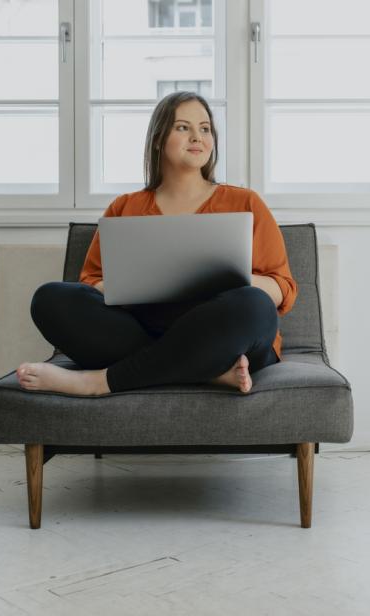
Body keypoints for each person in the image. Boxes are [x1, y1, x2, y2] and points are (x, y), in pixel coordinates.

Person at [16, 91, 297, 396]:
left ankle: (99, 382)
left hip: (221, 331)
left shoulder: (245, 202)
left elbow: (281, 288)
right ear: (158, 139)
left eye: (205, 129)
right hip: (145, 327)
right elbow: (92, 285)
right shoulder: (125, 207)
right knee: (50, 299)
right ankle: (206, 372)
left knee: (254, 306)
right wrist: (133, 285)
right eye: (182, 127)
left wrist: (232, 279)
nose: (197, 137)